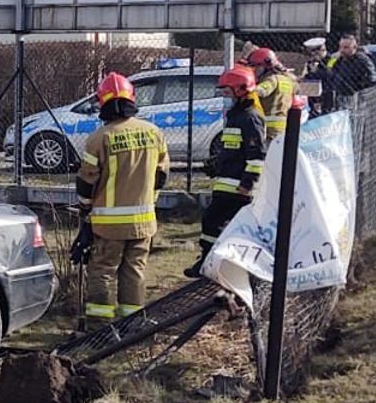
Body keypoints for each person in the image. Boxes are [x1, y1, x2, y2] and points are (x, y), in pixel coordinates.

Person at [69, 72, 170, 327]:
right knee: (134, 271)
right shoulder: (154, 133)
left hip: (108, 225)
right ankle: (133, 325)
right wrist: (151, 202)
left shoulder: (99, 139)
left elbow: (86, 182)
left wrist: (85, 209)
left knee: (102, 271)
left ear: (102, 103)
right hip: (144, 222)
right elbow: (161, 175)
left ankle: (99, 327)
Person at [187, 66, 266, 278]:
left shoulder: (250, 117)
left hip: (238, 186)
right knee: (213, 222)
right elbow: (233, 148)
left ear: (241, 91)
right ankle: (211, 261)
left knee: (217, 222)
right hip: (227, 181)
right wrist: (217, 164)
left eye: (228, 93)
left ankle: (214, 263)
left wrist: (247, 183)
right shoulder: (237, 116)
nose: (225, 97)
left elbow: (257, 155)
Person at [242, 47, 298, 143]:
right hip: (282, 129)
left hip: (268, 131)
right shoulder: (287, 80)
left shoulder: (271, 80)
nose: (253, 71)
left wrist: (242, 90)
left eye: (256, 67)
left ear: (266, 66)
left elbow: (259, 91)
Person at [323, 34, 376, 110]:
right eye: (340, 47)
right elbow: (328, 70)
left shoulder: (362, 59)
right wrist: (332, 60)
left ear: (354, 47)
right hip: (340, 96)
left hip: (357, 97)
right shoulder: (338, 59)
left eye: (346, 47)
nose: (342, 50)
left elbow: (372, 77)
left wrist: (360, 87)